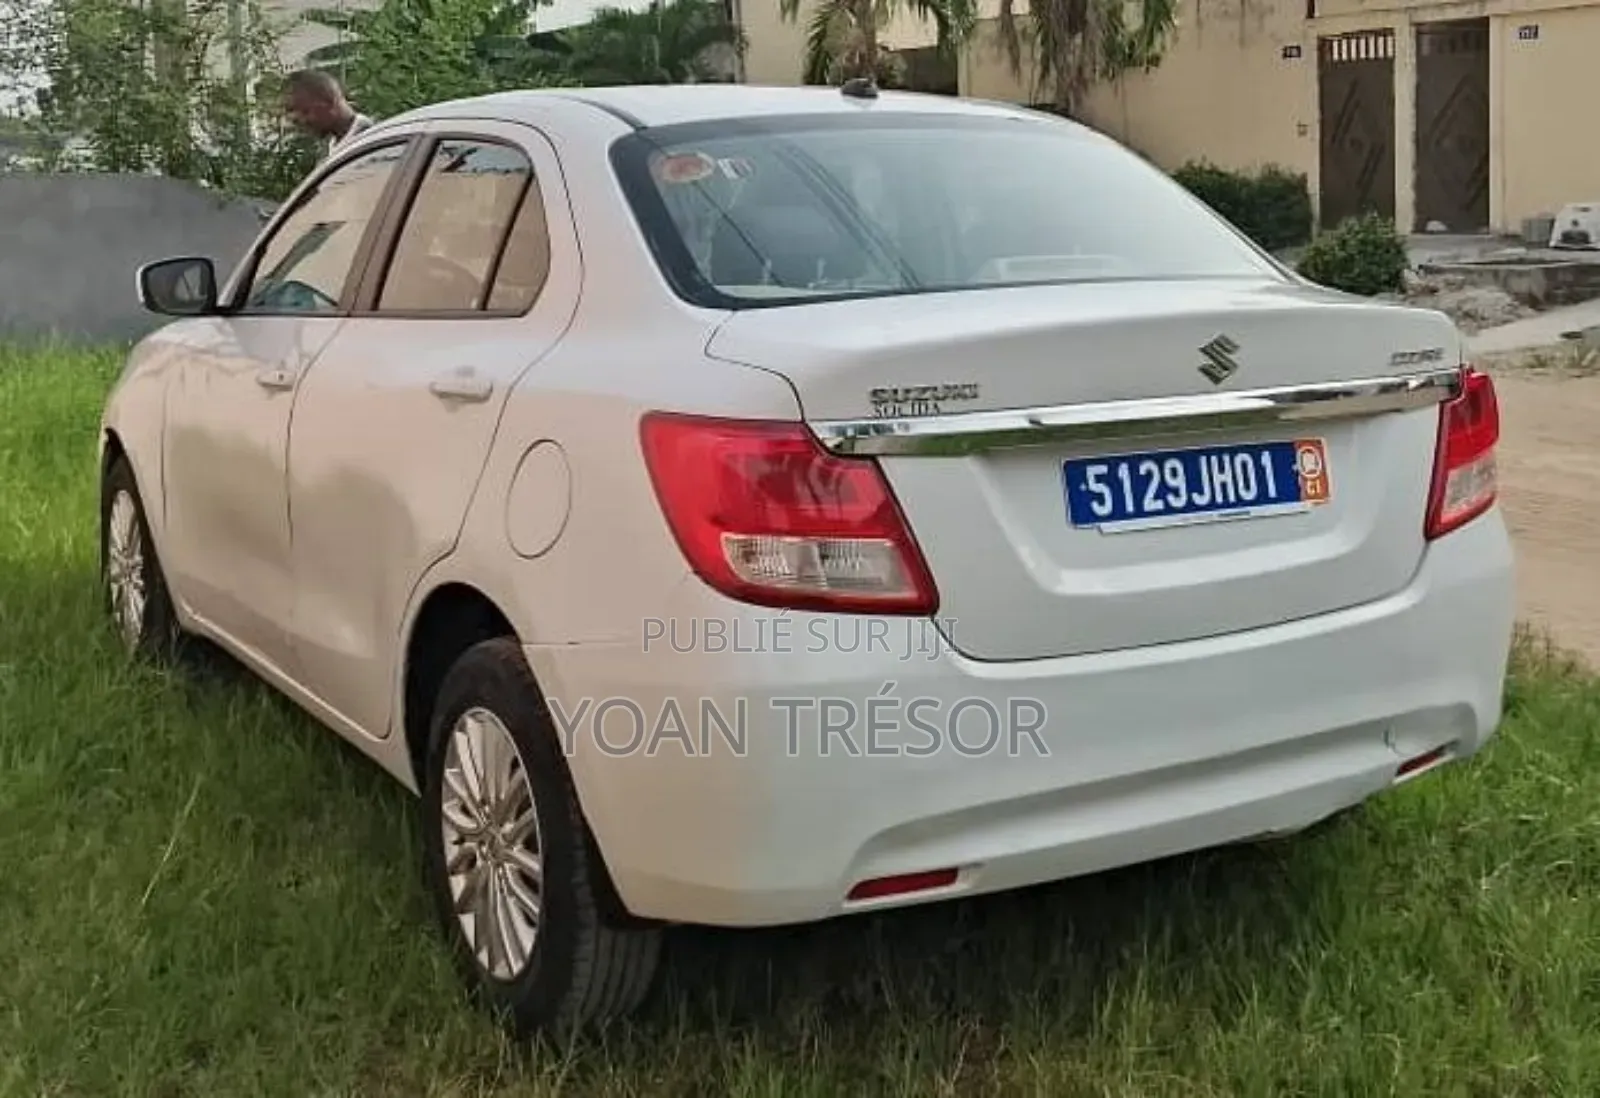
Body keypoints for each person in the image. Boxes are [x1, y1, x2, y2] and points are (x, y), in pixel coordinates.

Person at [282, 69, 374, 157]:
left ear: (330, 102)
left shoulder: (366, 144)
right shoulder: (332, 145)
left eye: (306, 112)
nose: (302, 121)